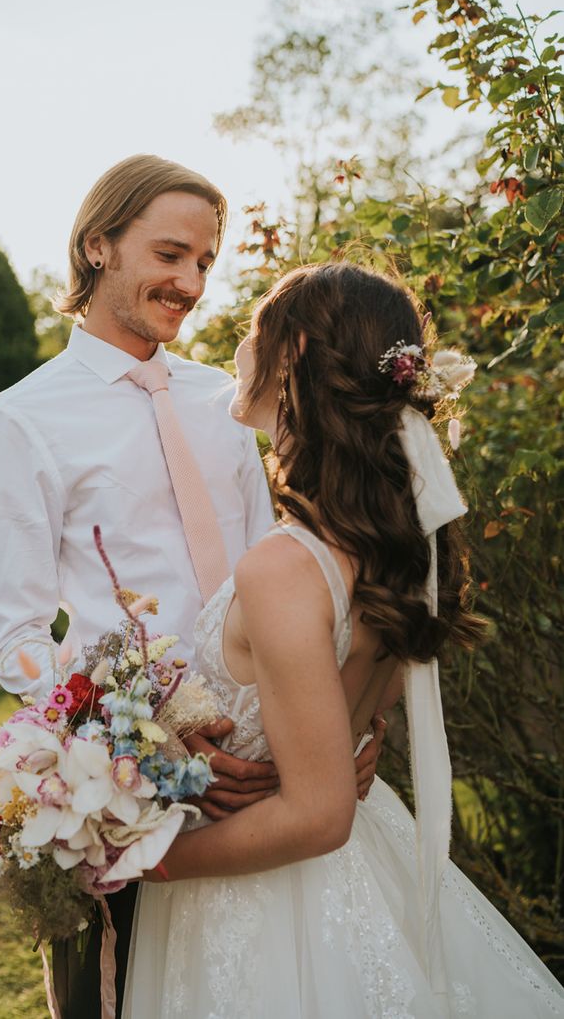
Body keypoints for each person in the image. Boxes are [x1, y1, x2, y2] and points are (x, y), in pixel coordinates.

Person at [0, 157, 383, 1018]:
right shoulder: (17, 422)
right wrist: (144, 745)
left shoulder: (231, 403)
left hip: (273, 770)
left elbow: (291, 570)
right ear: (97, 247)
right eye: (170, 254)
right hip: (128, 784)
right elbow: (17, 641)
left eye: (205, 261)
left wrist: (343, 719)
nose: (191, 281)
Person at [123, 262, 564, 1019]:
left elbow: (318, 813)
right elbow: (345, 722)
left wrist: (152, 862)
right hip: (366, 853)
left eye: (253, 328)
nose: (237, 348)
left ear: (291, 352)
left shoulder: (287, 566)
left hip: (260, 895)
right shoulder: (399, 546)